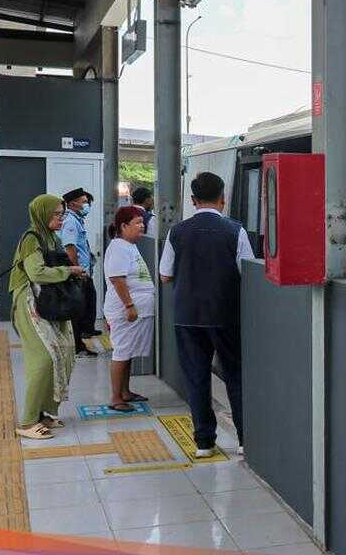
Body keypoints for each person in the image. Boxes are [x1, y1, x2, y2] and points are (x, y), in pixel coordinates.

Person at [159, 172, 254, 458]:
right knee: (235, 375)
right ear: (223, 198)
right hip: (226, 315)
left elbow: (164, 275)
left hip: (187, 316)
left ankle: (204, 442)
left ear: (193, 199)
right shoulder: (235, 231)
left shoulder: (177, 232)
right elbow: (248, 272)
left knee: (197, 378)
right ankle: (245, 440)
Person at [10, 194, 87, 440]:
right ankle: (27, 422)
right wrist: (69, 270)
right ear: (42, 214)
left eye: (62, 214)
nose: (61, 218)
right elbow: (36, 272)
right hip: (30, 304)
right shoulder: (31, 239)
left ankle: (44, 413)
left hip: (51, 303)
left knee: (64, 353)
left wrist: (71, 272)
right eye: (56, 214)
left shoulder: (52, 238)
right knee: (43, 359)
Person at [104, 206, 155, 413]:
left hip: (136, 310)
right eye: (137, 223)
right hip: (125, 311)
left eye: (142, 222)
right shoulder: (119, 247)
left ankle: (125, 392)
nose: (142, 226)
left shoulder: (128, 246)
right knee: (122, 352)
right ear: (123, 226)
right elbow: (117, 279)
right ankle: (116, 397)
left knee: (128, 352)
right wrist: (129, 305)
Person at [58, 187, 99, 356]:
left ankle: (82, 337)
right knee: (79, 310)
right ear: (73, 204)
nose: (86, 205)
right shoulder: (70, 222)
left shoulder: (77, 220)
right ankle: (77, 345)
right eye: (84, 202)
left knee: (86, 305)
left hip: (83, 272)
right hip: (79, 273)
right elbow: (70, 248)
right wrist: (77, 271)